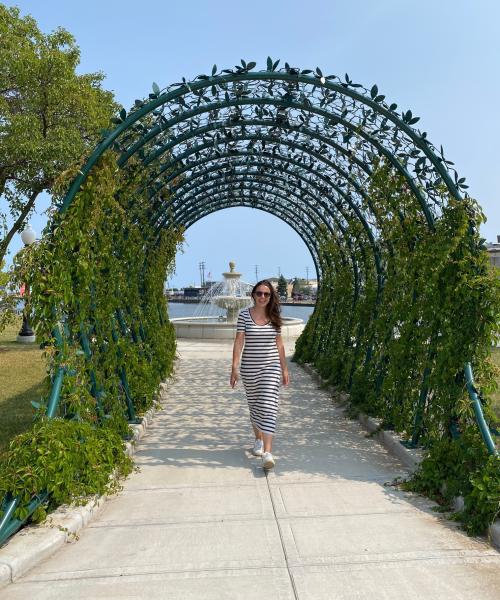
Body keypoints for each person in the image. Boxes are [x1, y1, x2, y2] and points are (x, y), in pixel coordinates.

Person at [230, 280, 290, 469]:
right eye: (259, 293)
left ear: (271, 297)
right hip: (250, 369)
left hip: (271, 368)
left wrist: (284, 368)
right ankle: (258, 439)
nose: (262, 297)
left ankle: (268, 453)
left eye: (266, 294)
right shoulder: (244, 316)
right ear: (253, 295)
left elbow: (279, 344)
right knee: (255, 406)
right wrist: (234, 367)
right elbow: (239, 342)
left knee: (269, 405)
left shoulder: (274, 317)